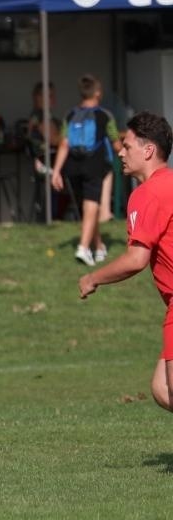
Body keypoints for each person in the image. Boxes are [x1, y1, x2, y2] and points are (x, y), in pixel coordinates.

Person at [79, 111, 173, 412]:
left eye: (127, 145)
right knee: (161, 388)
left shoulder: (148, 194)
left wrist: (93, 278)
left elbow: (136, 260)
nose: (120, 151)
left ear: (148, 150)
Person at [52, 75, 120, 265]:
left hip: (72, 166)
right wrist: (126, 156)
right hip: (94, 164)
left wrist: (56, 171)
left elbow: (64, 144)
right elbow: (115, 141)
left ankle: (98, 247)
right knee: (91, 205)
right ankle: (83, 247)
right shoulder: (104, 115)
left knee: (88, 208)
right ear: (97, 93)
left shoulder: (70, 115)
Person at [22, 81, 62, 223]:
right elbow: (54, 140)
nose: (53, 100)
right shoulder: (40, 116)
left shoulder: (47, 116)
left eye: (53, 96)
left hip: (50, 160)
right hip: (44, 163)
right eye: (49, 96)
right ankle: (59, 215)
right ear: (38, 98)